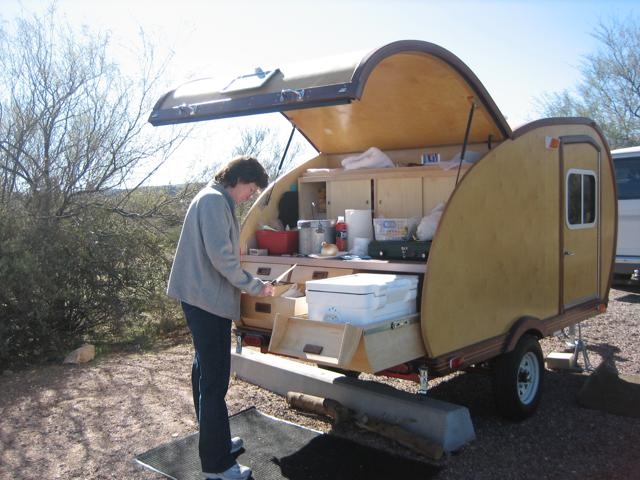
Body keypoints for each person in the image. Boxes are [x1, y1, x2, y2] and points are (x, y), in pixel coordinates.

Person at [167, 155, 274, 480]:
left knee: (204, 372)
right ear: (238, 179)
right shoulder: (214, 201)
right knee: (215, 382)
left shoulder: (211, 197)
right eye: (251, 189)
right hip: (206, 303)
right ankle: (217, 465)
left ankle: (214, 439)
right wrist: (255, 287)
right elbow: (222, 259)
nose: (250, 195)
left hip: (199, 299)